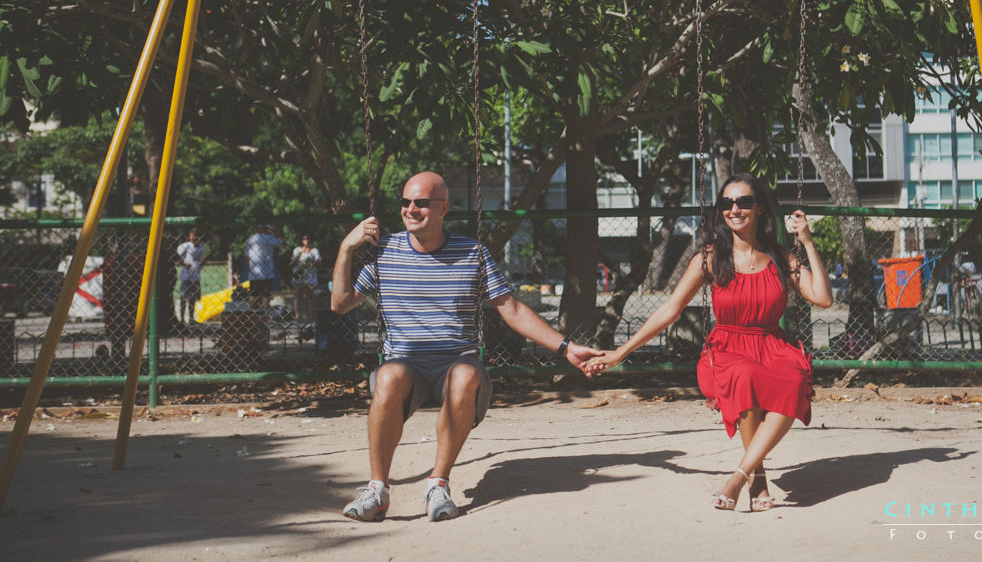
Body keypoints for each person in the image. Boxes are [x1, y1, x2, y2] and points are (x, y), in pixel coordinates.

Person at [333, 171, 603, 523]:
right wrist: (345, 249)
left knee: (463, 375)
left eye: (420, 203)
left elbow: (513, 309)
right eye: (405, 202)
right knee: (388, 377)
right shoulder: (384, 252)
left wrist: (565, 347)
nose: (410, 209)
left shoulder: (472, 253)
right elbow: (340, 304)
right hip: (404, 365)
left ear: (443, 208)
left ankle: (437, 484)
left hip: (456, 363)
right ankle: (377, 489)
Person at [586, 172, 833, 512]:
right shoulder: (711, 257)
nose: (735, 209)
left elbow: (822, 298)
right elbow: (669, 310)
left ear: (759, 208)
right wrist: (620, 352)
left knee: (794, 379)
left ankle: (739, 476)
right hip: (728, 348)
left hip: (773, 346)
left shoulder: (780, 257)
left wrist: (806, 241)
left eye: (744, 202)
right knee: (744, 375)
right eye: (727, 203)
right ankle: (756, 478)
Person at [241, 224, 283, 310]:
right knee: (266, 296)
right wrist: (275, 231)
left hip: (254, 273)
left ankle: (251, 316)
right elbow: (281, 243)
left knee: (253, 295)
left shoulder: (251, 239)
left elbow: (246, 256)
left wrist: (249, 271)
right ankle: (265, 317)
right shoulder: (268, 238)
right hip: (266, 272)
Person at [176, 227, 207, 325]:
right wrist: (184, 264)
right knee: (183, 297)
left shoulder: (202, 247)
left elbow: (203, 258)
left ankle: (191, 319)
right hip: (186, 276)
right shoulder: (185, 246)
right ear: (189, 236)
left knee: (193, 299)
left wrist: (201, 264)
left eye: (196, 237)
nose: (194, 239)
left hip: (196, 277)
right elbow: (176, 257)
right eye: (192, 236)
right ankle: (181, 320)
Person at [290, 234, 321, 323]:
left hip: (310, 276)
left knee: (310, 296)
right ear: (302, 241)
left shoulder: (314, 251)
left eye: (308, 238)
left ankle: (311, 317)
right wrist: (300, 254)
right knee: (297, 296)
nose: (306, 240)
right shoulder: (297, 250)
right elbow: (291, 263)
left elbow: (319, 262)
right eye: (304, 239)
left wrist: (310, 263)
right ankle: (297, 317)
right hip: (299, 275)